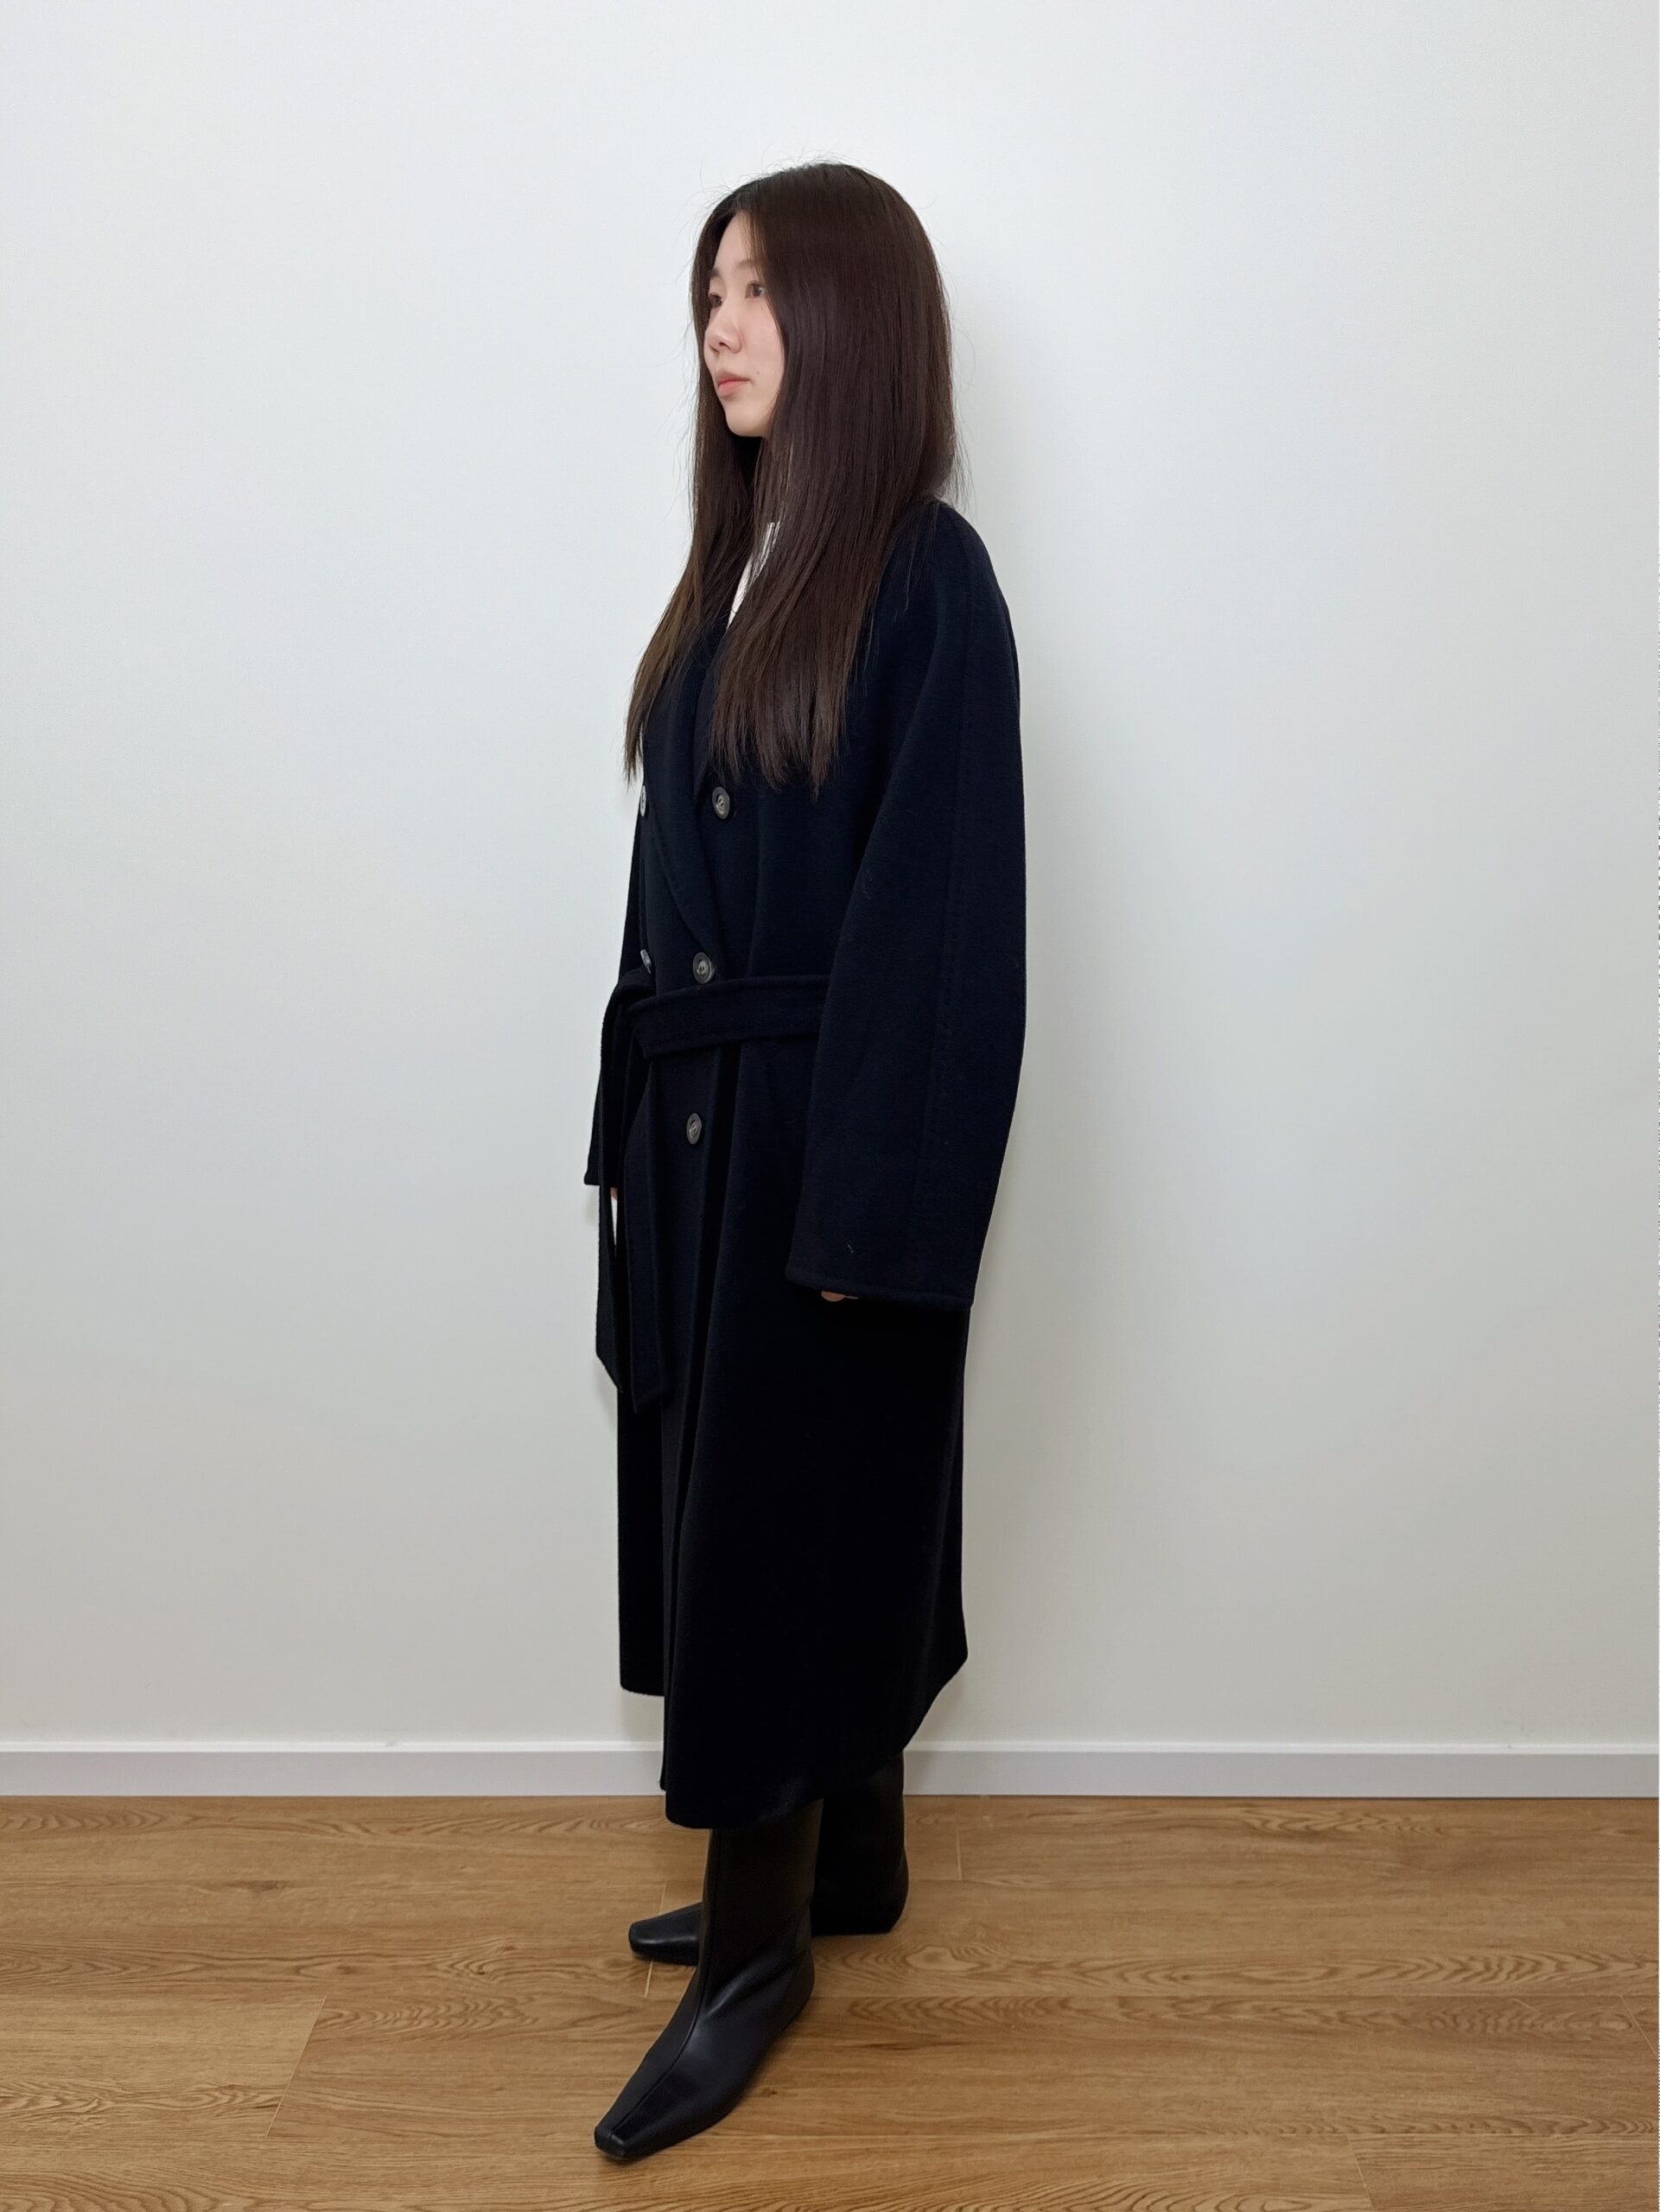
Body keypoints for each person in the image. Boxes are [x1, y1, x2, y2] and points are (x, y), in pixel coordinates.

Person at [583, 159, 1026, 2163]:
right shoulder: (732, 575)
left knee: (786, 1533)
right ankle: (848, 1864)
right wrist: (629, 1156)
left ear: (857, 320)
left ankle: (756, 1955)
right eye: (709, 291)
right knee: (737, 1513)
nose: (722, 326)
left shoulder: (923, 579)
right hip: (699, 1142)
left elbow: (940, 923)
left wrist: (872, 1209)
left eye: (760, 289)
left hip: (810, 1150)